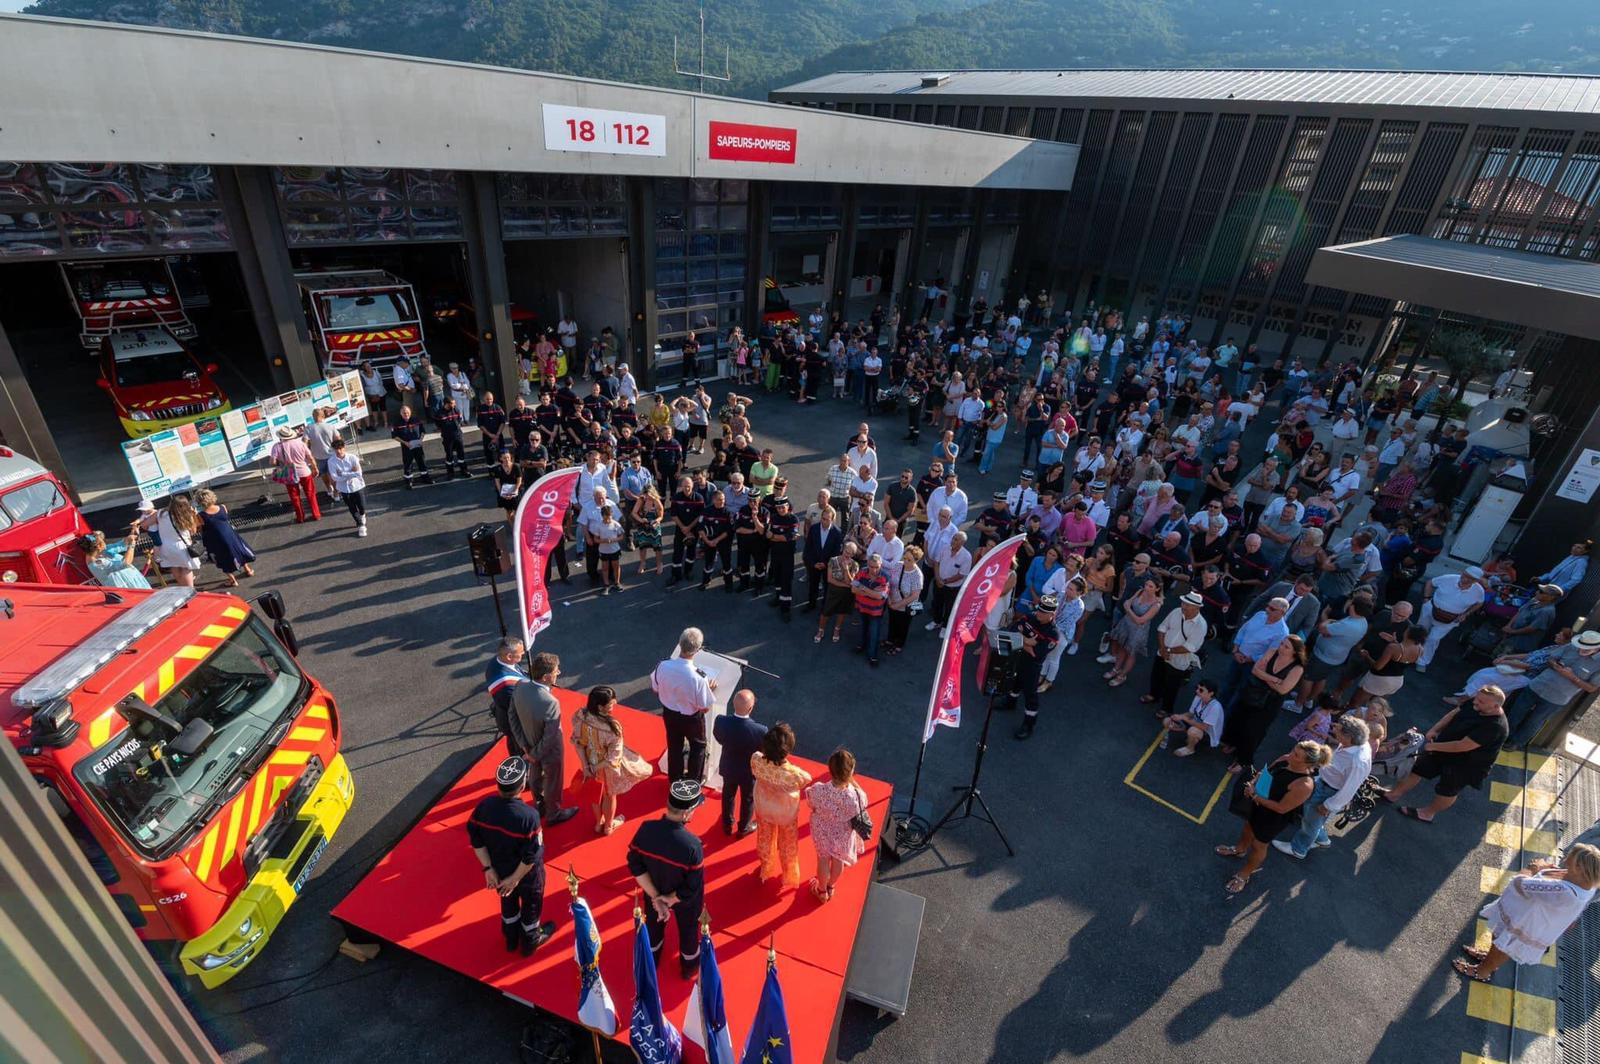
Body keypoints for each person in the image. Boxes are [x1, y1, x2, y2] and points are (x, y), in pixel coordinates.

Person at [1454, 844, 1600, 983]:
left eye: (1570, 858)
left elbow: (1520, 884)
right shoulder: (1587, 884)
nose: (1565, 859)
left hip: (1527, 923)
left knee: (1503, 945)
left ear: (1579, 868)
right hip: (1529, 918)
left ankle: (1483, 972)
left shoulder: (1565, 892)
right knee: (1500, 941)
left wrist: (1533, 868)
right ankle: (1489, 961)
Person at [1380, 685, 1511, 823]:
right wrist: (1435, 729)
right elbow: (1454, 713)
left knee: (1447, 790)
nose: (1475, 702)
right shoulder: (1476, 703)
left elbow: (1462, 746)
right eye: (1477, 698)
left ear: (1496, 707)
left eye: (1481, 702)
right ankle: (1394, 794)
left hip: (1467, 765)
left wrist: (1433, 746)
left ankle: (1427, 813)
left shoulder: (1495, 727)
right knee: (1418, 769)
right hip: (1444, 747)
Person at [1216, 740, 1329, 896]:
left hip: (1273, 817)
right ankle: (1239, 849)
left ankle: (1244, 874)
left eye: (1296, 755)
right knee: (1248, 827)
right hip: (1258, 804)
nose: (1291, 754)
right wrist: (1253, 783)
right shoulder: (1285, 759)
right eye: (1294, 749)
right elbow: (1265, 773)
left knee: (1258, 845)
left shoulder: (1304, 784)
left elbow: (1281, 808)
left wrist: (1254, 795)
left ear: (1307, 763)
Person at [468, 757, 555, 956]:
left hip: (499, 870)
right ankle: (531, 941)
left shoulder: (484, 807)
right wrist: (514, 880)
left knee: (508, 904)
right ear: (522, 784)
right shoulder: (528, 816)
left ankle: (511, 938)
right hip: (526, 876)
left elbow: (476, 839)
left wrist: (488, 869)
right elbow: (531, 855)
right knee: (531, 905)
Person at [628, 779, 707, 979]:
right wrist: (669, 900)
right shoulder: (692, 846)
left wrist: (657, 898)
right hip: (685, 903)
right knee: (689, 932)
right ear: (687, 813)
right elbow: (692, 886)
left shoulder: (645, 829)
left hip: (653, 893)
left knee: (653, 929)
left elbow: (636, 866)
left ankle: (651, 961)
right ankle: (689, 969)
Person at [1274, 715, 1372, 859]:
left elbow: (1350, 789)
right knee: (1313, 818)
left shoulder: (1358, 761)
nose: (1333, 729)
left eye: (1338, 729)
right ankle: (1321, 839)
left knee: (1310, 821)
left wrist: (1329, 805)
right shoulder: (1354, 743)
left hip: (1329, 792)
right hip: (1324, 783)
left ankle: (1298, 849)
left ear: (1348, 737)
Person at [570, 685, 653, 836]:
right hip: (605, 766)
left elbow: (577, 742)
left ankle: (598, 823)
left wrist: (586, 765)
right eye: (611, 704)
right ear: (601, 707)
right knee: (609, 794)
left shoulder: (580, 715)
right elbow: (613, 757)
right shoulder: (612, 726)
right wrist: (596, 767)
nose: (613, 706)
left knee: (594, 792)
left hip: (588, 759)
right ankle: (608, 826)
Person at [508, 653, 579, 825]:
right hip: (550, 750)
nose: (559, 673)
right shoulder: (550, 702)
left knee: (535, 776)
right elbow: (550, 735)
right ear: (547, 676)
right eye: (556, 671)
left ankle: (539, 805)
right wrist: (535, 754)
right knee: (553, 781)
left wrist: (525, 746)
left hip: (529, 744)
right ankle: (553, 813)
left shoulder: (520, 685)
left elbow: (512, 715)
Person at [1223, 635, 1307, 774]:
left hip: (1269, 703)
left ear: (1295, 652)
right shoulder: (1272, 652)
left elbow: (1283, 689)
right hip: (1252, 693)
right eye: (1281, 644)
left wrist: (1264, 676)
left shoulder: (1297, 669)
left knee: (1253, 731)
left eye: (1286, 646)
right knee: (1238, 719)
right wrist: (1275, 680)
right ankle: (1234, 744)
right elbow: (1255, 670)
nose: (1281, 647)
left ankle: (1244, 760)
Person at [1509, 629, 1600, 747]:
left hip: (1556, 698)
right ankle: (1503, 736)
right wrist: (1555, 665)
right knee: (1516, 712)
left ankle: (1516, 743)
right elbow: (1551, 658)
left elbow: (1592, 688)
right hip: (1538, 685)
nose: (1581, 650)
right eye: (1581, 646)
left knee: (1534, 722)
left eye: (1586, 649)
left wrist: (1572, 677)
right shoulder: (1571, 646)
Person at [751, 723, 812, 892]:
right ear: (787, 750)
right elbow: (807, 778)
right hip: (785, 812)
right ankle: (789, 874)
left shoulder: (756, 759)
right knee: (788, 843)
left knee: (764, 837)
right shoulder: (793, 773)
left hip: (763, 806)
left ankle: (766, 866)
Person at [651, 628, 715, 783]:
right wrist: (709, 689)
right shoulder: (700, 678)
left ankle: (674, 781)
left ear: (679, 644)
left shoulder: (662, 665)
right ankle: (692, 785)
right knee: (698, 748)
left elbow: (655, 689)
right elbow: (705, 707)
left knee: (674, 747)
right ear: (698, 650)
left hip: (669, 714)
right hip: (691, 718)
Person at [807, 748, 869, 904]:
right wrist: (851, 779)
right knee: (838, 859)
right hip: (843, 832)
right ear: (851, 772)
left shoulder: (819, 789)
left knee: (822, 859)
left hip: (822, 829)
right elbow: (863, 802)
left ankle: (821, 891)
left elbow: (810, 802)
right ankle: (830, 886)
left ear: (830, 769)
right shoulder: (856, 797)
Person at [1144, 591, 1208, 716]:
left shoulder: (1201, 625)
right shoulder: (1176, 611)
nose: (1184, 606)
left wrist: (1167, 650)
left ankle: (1166, 708)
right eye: (1184, 603)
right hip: (1162, 652)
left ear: (1197, 608)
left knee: (1172, 685)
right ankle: (1153, 695)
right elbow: (1162, 628)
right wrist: (1162, 648)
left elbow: (1190, 647)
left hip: (1179, 660)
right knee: (1157, 675)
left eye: (1188, 605)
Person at [712, 690, 767, 837]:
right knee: (748, 798)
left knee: (728, 795)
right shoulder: (760, 730)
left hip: (728, 766)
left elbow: (718, 737)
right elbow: (763, 750)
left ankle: (727, 825)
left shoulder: (721, 721)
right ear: (750, 708)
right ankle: (744, 827)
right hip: (748, 772)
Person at [1417, 567, 1487, 673]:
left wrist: (1466, 614)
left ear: (1476, 581)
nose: (1466, 579)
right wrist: (1426, 598)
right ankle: (1409, 652)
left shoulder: (1479, 591)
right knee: (1419, 631)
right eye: (1465, 575)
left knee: (1433, 639)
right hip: (1431, 609)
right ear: (1462, 572)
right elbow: (1430, 583)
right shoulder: (1449, 578)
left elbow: (1480, 603)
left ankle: (1422, 662)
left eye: (1471, 579)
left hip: (1451, 619)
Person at [1010, 595, 1061, 740]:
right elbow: (1013, 628)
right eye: (1039, 610)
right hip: (1019, 658)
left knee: (1030, 694)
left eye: (1044, 613)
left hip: (1032, 666)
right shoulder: (1031, 616)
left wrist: (1020, 637)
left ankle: (1029, 724)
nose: (1039, 613)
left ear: (1052, 614)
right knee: (1015, 682)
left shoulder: (1053, 633)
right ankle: (1010, 702)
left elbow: (1036, 653)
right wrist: (1027, 640)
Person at [195, 488, 256, 587]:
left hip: (215, 540)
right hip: (230, 535)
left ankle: (233, 580)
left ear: (200, 502)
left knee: (221, 559)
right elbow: (225, 519)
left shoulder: (201, 515)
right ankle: (248, 570)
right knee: (238, 551)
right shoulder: (222, 507)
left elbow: (200, 529)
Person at [269, 426, 322, 522]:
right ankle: (316, 514)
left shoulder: (277, 446)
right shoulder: (300, 443)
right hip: (305, 472)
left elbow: (272, 462)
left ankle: (300, 517)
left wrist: (281, 463)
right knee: (311, 494)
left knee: (295, 496)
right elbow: (310, 457)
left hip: (289, 474)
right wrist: (315, 468)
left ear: (281, 436)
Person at [1162, 679, 1226, 757]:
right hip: (1195, 723)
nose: (1197, 691)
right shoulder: (1198, 697)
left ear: (1211, 693)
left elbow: (1204, 727)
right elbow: (1191, 713)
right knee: (1167, 721)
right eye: (1197, 688)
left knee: (1193, 731)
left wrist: (1184, 718)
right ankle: (1189, 735)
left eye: (1201, 690)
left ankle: (1190, 748)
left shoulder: (1215, 707)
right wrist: (1179, 716)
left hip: (1208, 734)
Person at [155, 495, 204, 587]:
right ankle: (189, 590)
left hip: (166, 546)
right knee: (186, 568)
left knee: (174, 566)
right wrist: (193, 514)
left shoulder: (160, 513)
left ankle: (182, 587)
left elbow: (145, 524)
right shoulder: (186, 516)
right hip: (182, 546)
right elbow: (193, 531)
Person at [81, 525, 151, 590]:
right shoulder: (97, 564)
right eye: (103, 541)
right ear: (98, 547)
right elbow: (125, 563)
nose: (105, 543)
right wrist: (132, 545)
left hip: (134, 582)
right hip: (129, 588)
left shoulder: (97, 552)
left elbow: (121, 544)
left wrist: (132, 534)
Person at [885, 545, 926, 655]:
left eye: (909, 560)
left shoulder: (917, 575)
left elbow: (914, 596)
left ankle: (898, 645)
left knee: (902, 627)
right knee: (892, 622)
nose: (906, 562)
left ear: (916, 560)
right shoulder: (898, 566)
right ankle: (890, 640)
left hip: (905, 607)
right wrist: (889, 599)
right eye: (905, 558)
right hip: (892, 602)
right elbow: (889, 582)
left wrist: (898, 605)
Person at [853, 552, 891, 665]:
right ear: (867, 564)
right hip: (862, 607)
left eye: (876, 567)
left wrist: (863, 588)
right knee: (863, 628)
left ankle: (872, 655)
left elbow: (881, 596)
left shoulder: (885, 577)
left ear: (881, 565)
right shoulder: (862, 571)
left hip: (876, 611)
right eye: (871, 566)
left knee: (874, 633)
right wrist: (873, 592)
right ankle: (862, 645)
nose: (873, 570)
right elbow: (853, 589)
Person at [326, 437, 369, 536]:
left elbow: (359, 473)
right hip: (344, 489)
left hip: (357, 486)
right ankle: (360, 525)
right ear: (333, 450)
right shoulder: (331, 461)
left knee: (362, 506)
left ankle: (362, 515)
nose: (339, 451)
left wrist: (343, 474)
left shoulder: (353, 458)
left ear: (344, 447)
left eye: (340, 448)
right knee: (351, 507)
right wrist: (351, 472)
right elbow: (335, 477)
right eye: (336, 449)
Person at [391, 405, 434, 488]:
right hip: (407, 447)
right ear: (401, 414)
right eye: (404, 413)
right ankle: (409, 481)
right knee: (408, 464)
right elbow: (394, 436)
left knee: (421, 462)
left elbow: (423, 431)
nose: (406, 414)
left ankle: (425, 477)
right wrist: (405, 443)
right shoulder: (397, 423)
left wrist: (421, 440)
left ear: (410, 412)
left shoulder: (416, 420)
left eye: (407, 412)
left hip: (418, 445)